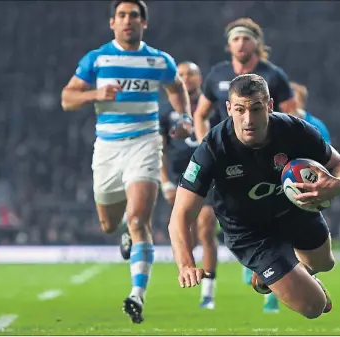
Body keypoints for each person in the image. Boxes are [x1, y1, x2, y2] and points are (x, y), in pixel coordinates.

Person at [169, 74, 340, 319]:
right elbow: (180, 215)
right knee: (314, 307)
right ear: (228, 109)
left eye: (256, 109)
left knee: (324, 264)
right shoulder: (213, 147)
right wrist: (185, 264)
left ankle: (278, 273)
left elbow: (339, 164)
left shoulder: (294, 130)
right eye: (240, 110)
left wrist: (337, 184)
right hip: (249, 232)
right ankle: (273, 270)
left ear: (269, 106)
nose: (248, 119)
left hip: (294, 210)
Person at [60, 0, 192, 324]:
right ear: (112, 23)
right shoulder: (97, 59)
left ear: (144, 23)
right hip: (107, 149)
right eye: (122, 15)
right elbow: (67, 98)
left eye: (134, 15)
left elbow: (177, 87)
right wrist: (95, 94)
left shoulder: (158, 60)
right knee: (109, 224)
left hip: (146, 145)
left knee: (138, 220)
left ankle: (137, 295)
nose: (128, 20)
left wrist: (184, 116)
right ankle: (123, 232)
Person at [192, 17, 297, 313]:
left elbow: (293, 115)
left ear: (257, 44)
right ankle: (211, 291)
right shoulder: (217, 75)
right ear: (229, 45)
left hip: (264, 159)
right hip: (227, 161)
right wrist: (206, 146)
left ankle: (272, 288)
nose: (241, 43)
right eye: (236, 39)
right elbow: (201, 114)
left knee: (271, 217)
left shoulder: (272, 76)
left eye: (246, 38)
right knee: (205, 224)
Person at [157, 61, 219, 309]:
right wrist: (164, 182)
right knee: (188, 234)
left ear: (200, 77)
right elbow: (159, 148)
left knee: (206, 229)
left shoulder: (212, 107)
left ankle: (209, 292)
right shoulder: (164, 109)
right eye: (181, 74)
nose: (186, 78)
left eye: (191, 73)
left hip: (209, 173)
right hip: (180, 176)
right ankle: (190, 272)